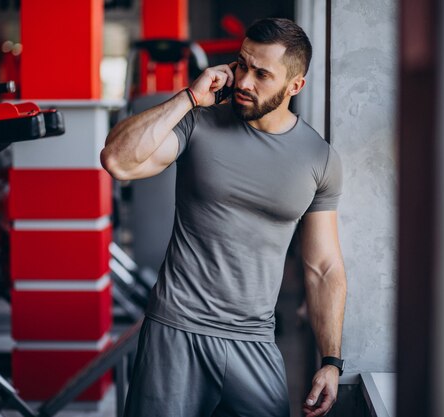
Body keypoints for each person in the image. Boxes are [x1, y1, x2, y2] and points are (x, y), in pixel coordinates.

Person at [102, 17, 347, 417]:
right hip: (176, 329)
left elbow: (323, 266)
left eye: (262, 74)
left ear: (295, 86)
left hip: (254, 341)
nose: (245, 81)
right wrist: (188, 98)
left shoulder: (318, 159)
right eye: (242, 65)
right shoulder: (200, 122)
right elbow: (118, 161)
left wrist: (331, 361)